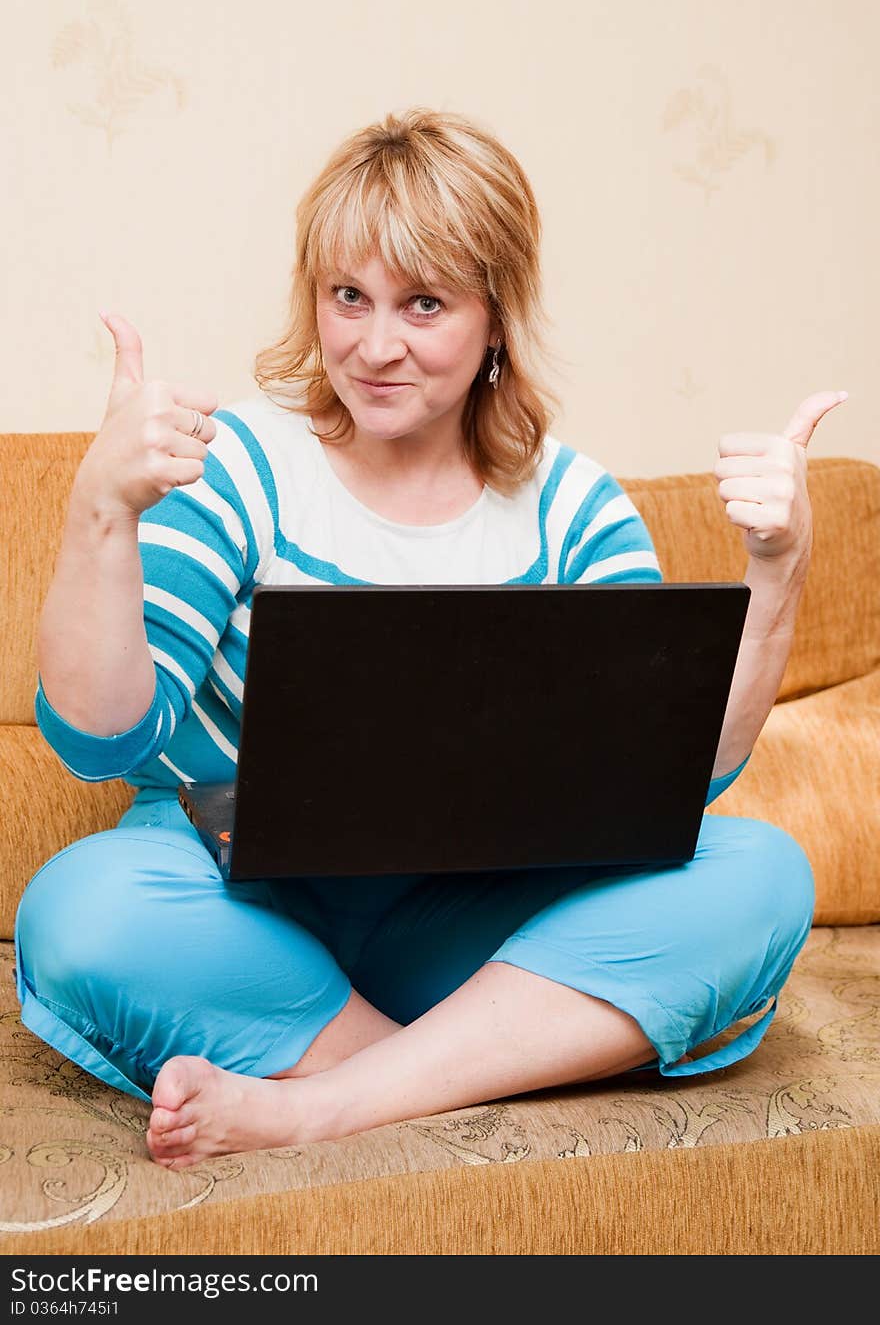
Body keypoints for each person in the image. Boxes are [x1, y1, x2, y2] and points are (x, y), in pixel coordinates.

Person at [14, 108, 842, 1172]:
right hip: (244, 922)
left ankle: (326, 1102)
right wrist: (100, 510)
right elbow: (99, 743)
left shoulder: (574, 509)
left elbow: (676, 789)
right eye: (346, 296)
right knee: (80, 911)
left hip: (474, 929)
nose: (374, 343)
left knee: (761, 875)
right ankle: (458, 1070)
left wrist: (776, 571)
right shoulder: (238, 469)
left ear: (496, 318)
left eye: (424, 304)